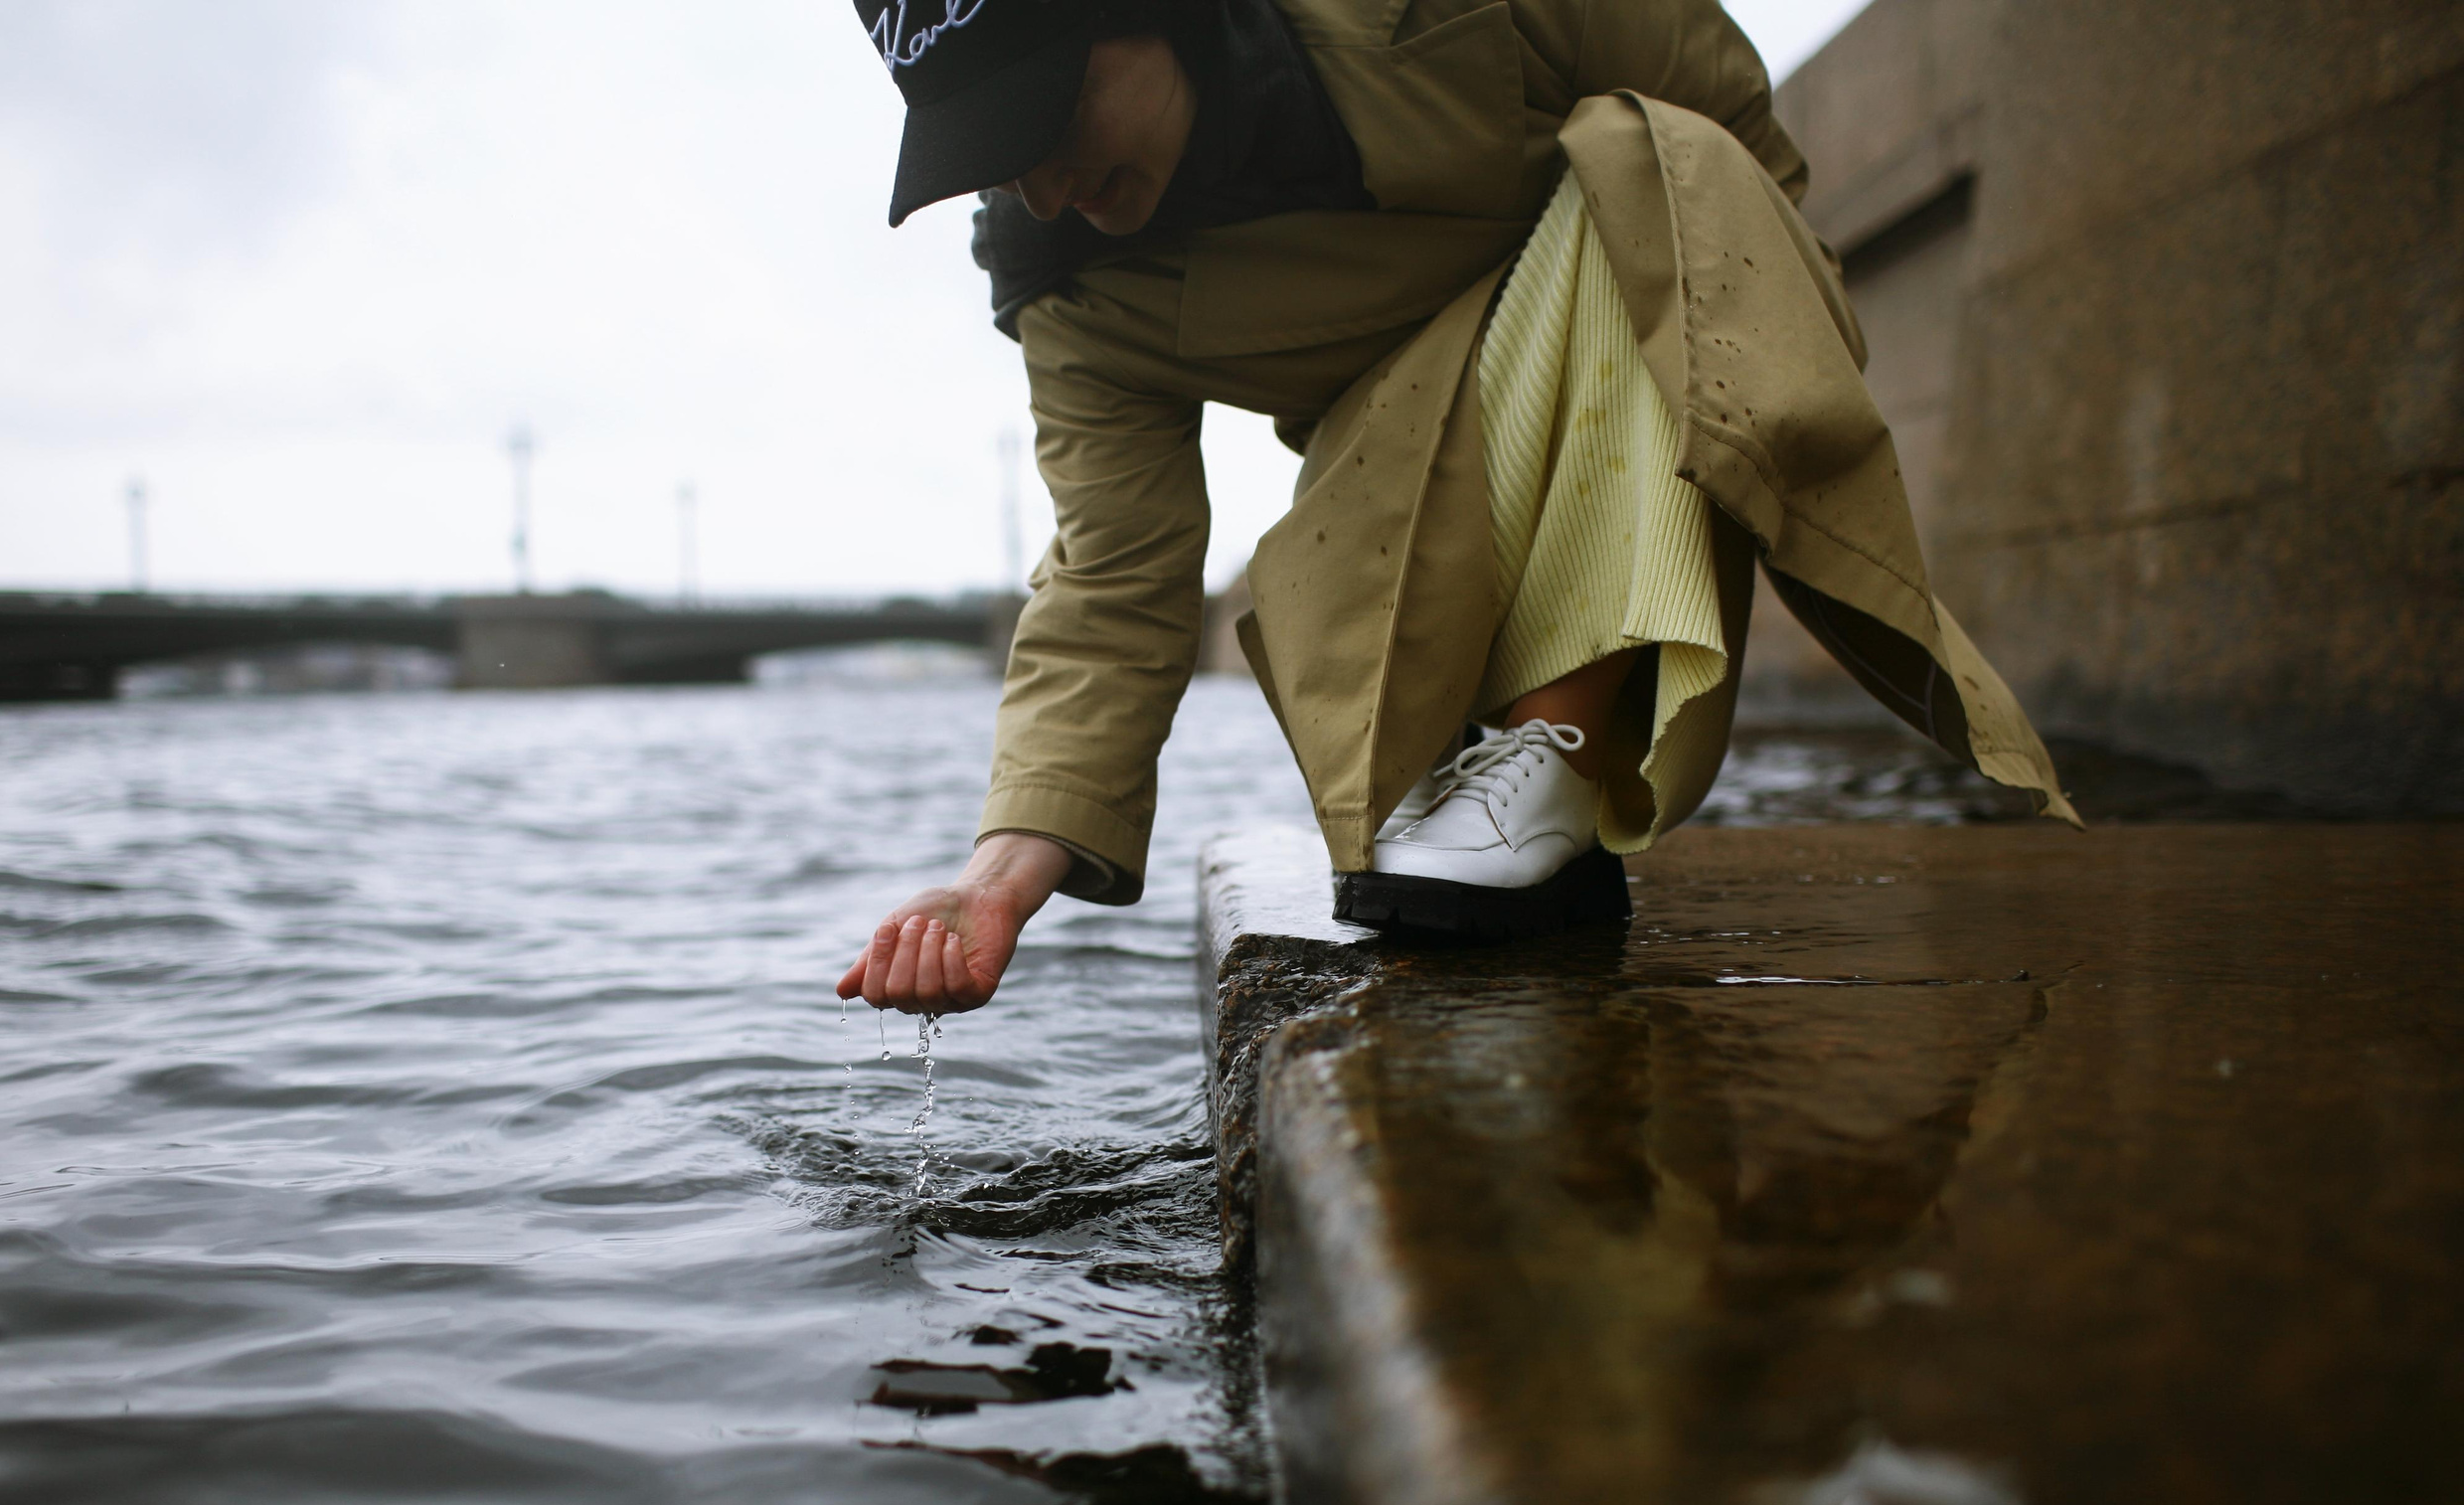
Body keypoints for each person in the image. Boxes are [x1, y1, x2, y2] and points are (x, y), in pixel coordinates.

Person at [838, 0, 2075, 1016]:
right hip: (1397, 534)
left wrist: (1776, 348)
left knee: (1653, 155)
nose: (1043, 189)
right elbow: (1110, 575)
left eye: (1045, 115)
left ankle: (1562, 741)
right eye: (995, 154)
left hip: (1642, 338)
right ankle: (1488, 762)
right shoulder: (1061, 282)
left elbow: (1728, 142)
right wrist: (993, 881)